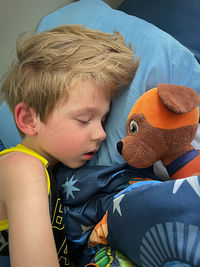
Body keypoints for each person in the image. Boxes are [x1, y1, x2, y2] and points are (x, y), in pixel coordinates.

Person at [0, 24, 139, 267]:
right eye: (84, 119)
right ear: (29, 120)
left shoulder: (47, 170)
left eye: (104, 120)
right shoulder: (22, 167)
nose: (101, 134)